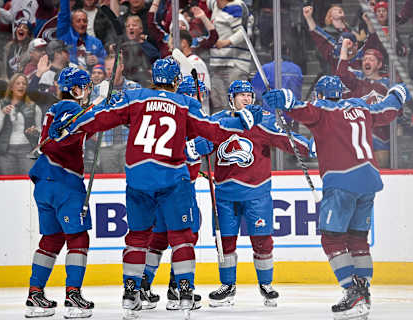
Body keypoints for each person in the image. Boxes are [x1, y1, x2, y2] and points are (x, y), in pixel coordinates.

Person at [49, 57, 262, 319]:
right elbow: (212, 129)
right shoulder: (185, 103)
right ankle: (184, 293)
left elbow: (101, 118)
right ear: (175, 81)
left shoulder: (135, 97)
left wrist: (71, 125)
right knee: (182, 236)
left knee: (137, 237)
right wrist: (242, 122)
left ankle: (130, 295)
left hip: (138, 179)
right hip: (172, 179)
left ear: (153, 76)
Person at [262, 76, 411, 320]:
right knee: (357, 238)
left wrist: (284, 100)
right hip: (369, 179)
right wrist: (398, 93)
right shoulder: (360, 107)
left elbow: (301, 109)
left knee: (331, 238)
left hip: (341, 180)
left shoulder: (322, 109)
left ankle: (352, 292)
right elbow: (387, 110)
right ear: (340, 93)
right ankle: (363, 291)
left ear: (320, 95)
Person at [205, 80, 312, 308]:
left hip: (257, 193)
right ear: (231, 98)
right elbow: (200, 145)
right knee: (225, 242)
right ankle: (228, 286)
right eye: (241, 95)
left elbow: (288, 139)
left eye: (249, 95)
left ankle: (266, 285)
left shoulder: (263, 121)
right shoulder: (219, 122)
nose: (246, 99)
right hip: (225, 195)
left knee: (262, 241)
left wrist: (308, 145)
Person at [24, 67, 95, 318]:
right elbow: (78, 129)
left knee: (52, 240)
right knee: (78, 239)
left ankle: (35, 295)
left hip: (44, 181)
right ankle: (73, 296)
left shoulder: (54, 109)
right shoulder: (72, 108)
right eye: (84, 87)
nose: (86, 91)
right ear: (75, 88)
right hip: (64, 182)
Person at [140, 76, 213, 312]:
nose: (197, 100)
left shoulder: (181, 115)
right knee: (186, 236)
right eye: (194, 94)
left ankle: (143, 286)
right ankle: (177, 288)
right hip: (177, 188)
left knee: (159, 237)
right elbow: (168, 149)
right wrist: (192, 149)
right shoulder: (180, 116)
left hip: (164, 188)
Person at [337, 41, 391, 168]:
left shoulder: (388, 84)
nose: (367, 62)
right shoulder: (357, 81)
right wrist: (344, 47)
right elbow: (341, 74)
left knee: (382, 170)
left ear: (379, 64)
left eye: (371, 59)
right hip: (358, 135)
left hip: (381, 135)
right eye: (365, 59)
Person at [0, 73, 42, 175]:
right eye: (17, 83)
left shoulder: (34, 107)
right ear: (11, 87)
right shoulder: (1, 105)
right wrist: (2, 113)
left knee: (28, 183)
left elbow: (41, 132)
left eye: (24, 83)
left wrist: (34, 131)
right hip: (6, 151)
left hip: (27, 149)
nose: (21, 86)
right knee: (9, 184)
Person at [57, 0, 107, 70]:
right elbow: (63, 14)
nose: (82, 24)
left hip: (91, 78)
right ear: (72, 23)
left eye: (84, 21)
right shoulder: (65, 37)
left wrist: (98, 60)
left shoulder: (96, 42)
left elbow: (107, 62)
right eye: (78, 21)